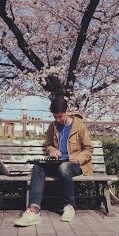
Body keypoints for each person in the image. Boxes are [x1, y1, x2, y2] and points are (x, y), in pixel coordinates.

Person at [14, 96, 93, 226]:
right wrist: (51, 151)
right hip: (57, 162)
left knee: (64, 168)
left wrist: (78, 158)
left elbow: (88, 150)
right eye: (55, 117)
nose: (57, 120)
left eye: (60, 116)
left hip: (75, 165)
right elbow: (49, 144)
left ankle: (69, 206)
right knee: (38, 167)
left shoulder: (79, 126)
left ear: (66, 112)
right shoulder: (53, 126)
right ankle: (34, 210)